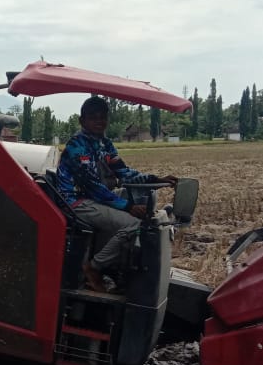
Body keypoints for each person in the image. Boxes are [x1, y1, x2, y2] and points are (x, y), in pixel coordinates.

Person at [56, 96, 176, 292]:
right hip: (76, 201)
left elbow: (124, 172)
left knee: (144, 202)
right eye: (93, 117)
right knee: (134, 224)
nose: (99, 121)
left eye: (102, 117)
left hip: (96, 197)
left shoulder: (105, 144)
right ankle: (94, 267)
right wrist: (127, 207)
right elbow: (92, 186)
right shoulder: (77, 146)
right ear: (82, 120)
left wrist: (157, 179)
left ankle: (117, 265)